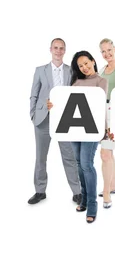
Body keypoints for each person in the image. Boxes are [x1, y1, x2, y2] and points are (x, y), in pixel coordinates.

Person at [48, 51, 108, 223]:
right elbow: (67, 103)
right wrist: (54, 104)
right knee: (79, 164)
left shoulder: (101, 81)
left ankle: (92, 203)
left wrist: (104, 129)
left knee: (87, 165)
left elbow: (98, 105)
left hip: (91, 128)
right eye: (80, 66)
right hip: (74, 128)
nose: (84, 68)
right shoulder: (75, 82)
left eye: (86, 63)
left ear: (93, 61)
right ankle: (83, 198)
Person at [29, 38, 81, 205]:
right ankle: (39, 191)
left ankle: (77, 192)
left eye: (62, 48)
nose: (58, 51)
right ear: (50, 49)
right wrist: (33, 115)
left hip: (65, 120)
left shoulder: (71, 71)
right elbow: (34, 95)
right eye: (56, 48)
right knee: (40, 157)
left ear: (65, 51)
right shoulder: (40, 70)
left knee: (69, 157)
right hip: (43, 119)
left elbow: (76, 95)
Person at [97, 38, 115, 208]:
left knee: (105, 154)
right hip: (102, 115)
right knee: (109, 153)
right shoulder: (100, 71)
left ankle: (107, 191)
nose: (107, 54)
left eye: (109, 50)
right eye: (103, 51)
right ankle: (113, 185)